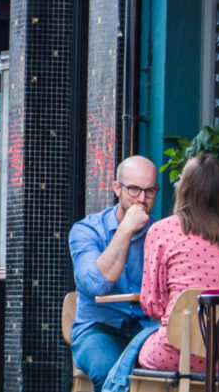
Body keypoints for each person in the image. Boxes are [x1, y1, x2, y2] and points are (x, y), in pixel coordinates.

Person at [134, 155, 219, 376]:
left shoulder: (162, 231)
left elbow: (153, 305)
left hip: (176, 352)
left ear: (184, 188)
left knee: (134, 349)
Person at [68, 155, 159, 392]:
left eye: (149, 191)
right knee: (110, 369)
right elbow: (97, 284)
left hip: (148, 329)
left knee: (170, 373)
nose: (142, 199)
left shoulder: (160, 234)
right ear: (117, 188)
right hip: (97, 329)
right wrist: (126, 228)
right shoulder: (86, 230)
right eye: (134, 189)